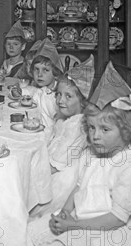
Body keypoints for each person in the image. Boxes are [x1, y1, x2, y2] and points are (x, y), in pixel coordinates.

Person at [0, 95, 131, 246]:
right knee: (36, 229)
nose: (95, 136)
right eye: (91, 127)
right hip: (90, 218)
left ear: (126, 131)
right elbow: (79, 188)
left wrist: (74, 225)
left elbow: (117, 218)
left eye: (105, 129)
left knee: (66, 244)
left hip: (120, 235)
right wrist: (66, 213)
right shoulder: (93, 155)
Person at [31, 76, 88, 218]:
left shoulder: (76, 127)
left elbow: (56, 164)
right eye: (58, 94)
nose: (60, 100)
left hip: (60, 177)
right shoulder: (64, 120)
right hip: (50, 165)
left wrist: (29, 172)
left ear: (82, 101)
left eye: (68, 96)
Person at [19, 39, 63, 141]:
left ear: (55, 73)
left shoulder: (57, 96)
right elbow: (30, 90)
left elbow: (60, 124)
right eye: (36, 69)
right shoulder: (40, 89)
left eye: (45, 70)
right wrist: (19, 90)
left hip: (50, 138)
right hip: (36, 132)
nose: (39, 74)